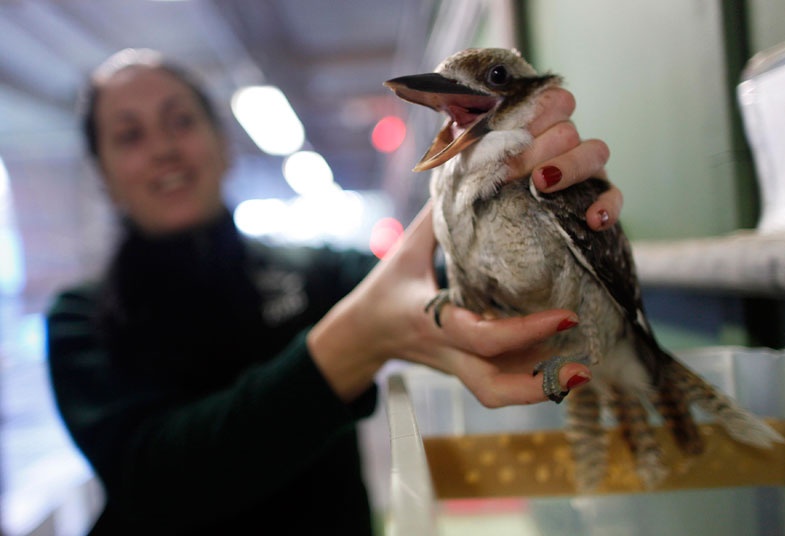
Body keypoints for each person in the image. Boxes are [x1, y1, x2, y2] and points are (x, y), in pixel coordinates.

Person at [46, 48, 620, 535]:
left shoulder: (317, 273)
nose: (163, 148)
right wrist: (356, 339)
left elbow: (460, 289)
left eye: (180, 121)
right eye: (129, 135)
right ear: (103, 172)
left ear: (220, 142)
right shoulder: (80, 321)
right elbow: (159, 482)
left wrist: (549, 209)